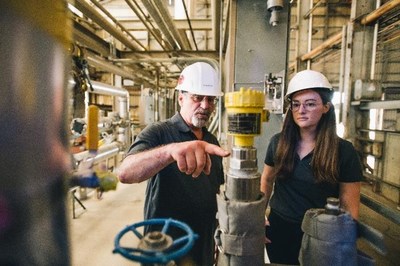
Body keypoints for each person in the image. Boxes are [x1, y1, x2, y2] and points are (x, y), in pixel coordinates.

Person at [117, 62, 230, 265]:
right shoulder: (159, 132)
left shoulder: (211, 141)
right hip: (165, 244)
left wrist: (217, 236)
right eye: (197, 97)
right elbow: (125, 172)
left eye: (211, 99)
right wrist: (170, 151)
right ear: (181, 98)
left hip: (202, 241)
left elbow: (216, 191)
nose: (205, 106)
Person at [260, 70, 362, 265]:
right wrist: (257, 218)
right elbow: (266, 180)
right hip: (279, 228)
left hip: (321, 234)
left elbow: (350, 208)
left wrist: (343, 243)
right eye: (296, 104)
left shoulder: (343, 151)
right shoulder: (278, 143)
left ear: (326, 107)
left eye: (310, 103)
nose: (301, 110)